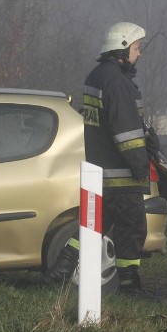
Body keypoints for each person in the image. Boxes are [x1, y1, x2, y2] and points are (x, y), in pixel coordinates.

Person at [43, 22, 156, 294]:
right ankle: (130, 287)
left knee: (94, 225)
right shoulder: (118, 83)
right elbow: (126, 132)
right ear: (123, 48)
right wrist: (141, 166)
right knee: (132, 227)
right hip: (121, 174)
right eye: (136, 48)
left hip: (100, 172)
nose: (138, 54)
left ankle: (61, 270)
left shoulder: (96, 77)